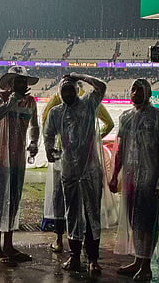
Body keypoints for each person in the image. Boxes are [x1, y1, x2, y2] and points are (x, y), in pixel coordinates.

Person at [44, 72, 107, 276]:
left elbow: (101, 87)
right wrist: (49, 149)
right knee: (72, 214)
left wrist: (79, 76)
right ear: (60, 92)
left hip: (90, 170)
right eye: (65, 90)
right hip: (69, 170)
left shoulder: (89, 104)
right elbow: (48, 134)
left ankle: (93, 258)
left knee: (91, 215)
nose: (68, 93)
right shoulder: (56, 113)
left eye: (71, 89)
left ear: (76, 90)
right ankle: (74, 256)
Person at [109, 78, 159, 281]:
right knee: (134, 220)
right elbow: (121, 149)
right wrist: (114, 175)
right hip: (131, 178)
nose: (134, 92)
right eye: (132, 88)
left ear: (148, 93)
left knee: (147, 222)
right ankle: (137, 259)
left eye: (139, 89)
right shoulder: (126, 117)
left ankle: (146, 265)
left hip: (150, 178)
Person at [0, 66, 40, 266]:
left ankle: (9, 246)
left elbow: (35, 126)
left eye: (23, 81)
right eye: (18, 81)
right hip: (1, 158)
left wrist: (33, 143)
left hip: (18, 160)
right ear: (10, 84)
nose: (22, 85)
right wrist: (11, 102)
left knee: (13, 202)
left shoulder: (30, 102)